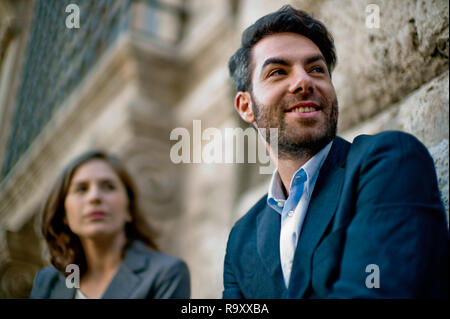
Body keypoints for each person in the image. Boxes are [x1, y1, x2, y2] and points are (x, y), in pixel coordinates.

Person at [223, 5, 448, 298]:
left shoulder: (391, 162)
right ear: (245, 106)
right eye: (278, 72)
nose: (304, 81)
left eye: (317, 69)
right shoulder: (242, 239)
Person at [30, 150, 190, 299]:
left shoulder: (166, 273)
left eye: (108, 187)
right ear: (64, 214)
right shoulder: (48, 282)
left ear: (129, 210)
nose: (94, 197)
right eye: (81, 189)